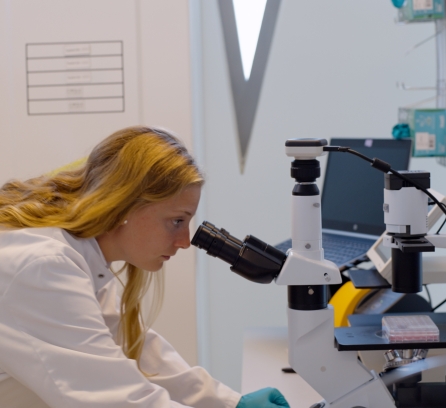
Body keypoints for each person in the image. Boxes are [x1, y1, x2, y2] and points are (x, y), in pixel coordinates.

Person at [0, 126, 290, 408]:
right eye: (177, 221)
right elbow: (116, 398)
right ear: (125, 205)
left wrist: (230, 402)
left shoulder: (82, 255)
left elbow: (136, 347)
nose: (185, 241)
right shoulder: (44, 268)